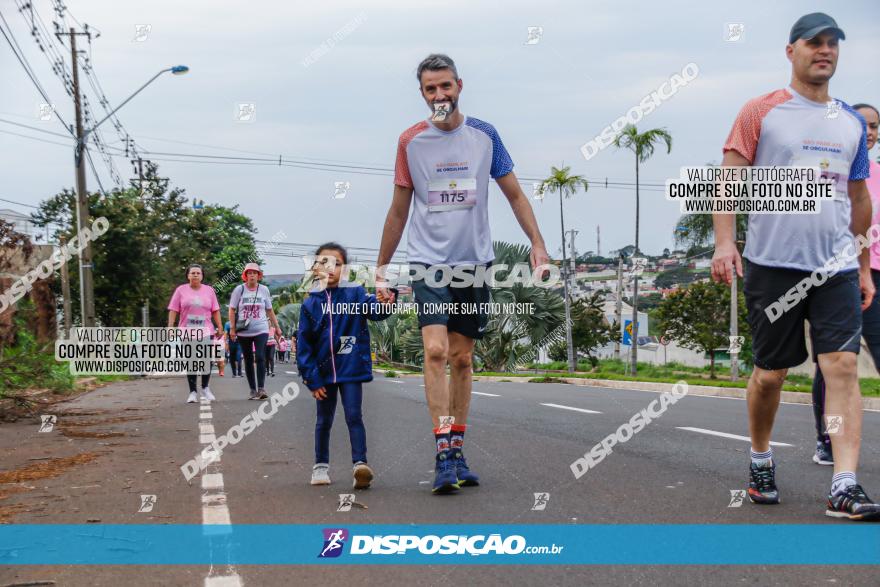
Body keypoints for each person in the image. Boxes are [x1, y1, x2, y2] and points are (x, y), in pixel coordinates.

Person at [712, 13, 880, 520]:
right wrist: (725, 243)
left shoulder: (850, 120)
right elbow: (728, 180)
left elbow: (859, 199)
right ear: (792, 51)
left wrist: (864, 265)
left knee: (843, 368)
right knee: (771, 375)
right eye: (814, 42)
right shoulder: (761, 111)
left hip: (835, 270)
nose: (824, 51)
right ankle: (761, 457)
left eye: (832, 44)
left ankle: (844, 483)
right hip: (772, 266)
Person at [376, 54, 550, 494]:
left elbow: (514, 195)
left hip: (474, 262)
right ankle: (442, 452)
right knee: (435, 351)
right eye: (431, 89)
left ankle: (458, 447)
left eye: (445, 87)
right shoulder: (410, 141)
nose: (440, 96)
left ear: (459, 86)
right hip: (428, 262)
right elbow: (398, 212)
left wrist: (538, 243)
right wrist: (382, 270)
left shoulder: (485, 136)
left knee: (462, 358)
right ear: (422, 94)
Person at [811, 102, 880, 465]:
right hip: (838, 275)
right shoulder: (829, 172)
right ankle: (827, 436)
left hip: (874, 275)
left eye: (874, 126)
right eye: (862, 125)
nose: (868, 132)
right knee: (835, 363)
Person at [297, 243, 396, 488]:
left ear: (345, 269)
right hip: (322, 374)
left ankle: (360, 466)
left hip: (350, 369)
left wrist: (389, 300)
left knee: (354, 416)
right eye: (323, 262)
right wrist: (311, 378)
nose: (330, 268)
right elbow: (304, 345)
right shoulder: (310, 304)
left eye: (337, 264)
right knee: (324, 421)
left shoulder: (355, 294)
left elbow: (377, 311)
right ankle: (320, 467)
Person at [167, 264, 223, 403]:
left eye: (198, 273)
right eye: (193, 273)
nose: (196, 275)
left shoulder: (209, 290)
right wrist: (170, 327)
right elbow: (173, 309)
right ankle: (192, 391)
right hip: (187, 331)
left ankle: (205, 387)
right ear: (188, 275)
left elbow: (215, 310)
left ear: (202, 276)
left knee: (206, 359)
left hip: (206, 330)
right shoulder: (181, 290)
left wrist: (220, 326)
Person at [229, 263, 282, 400]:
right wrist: (233, 329)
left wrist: (277, 327)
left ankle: (261, 388)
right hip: (244, 331)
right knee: (247, 359)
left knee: (260, 356)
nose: (252, 275)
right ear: (245, 276)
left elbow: (269, 310)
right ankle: (252, 389)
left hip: (261, 329)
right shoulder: (239, 290)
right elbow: (232, 309)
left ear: (259, 276)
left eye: (254, 273)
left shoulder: (264, 290)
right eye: (249, 273)